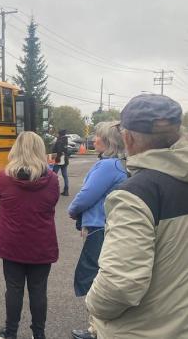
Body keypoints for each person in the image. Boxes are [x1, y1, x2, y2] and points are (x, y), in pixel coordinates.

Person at [85, 94, 188, 338]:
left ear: (127, 137)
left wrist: (92, 305)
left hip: (141, 330)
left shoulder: (135, 195)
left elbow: (120, 286)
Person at [0, 131, 59, 339]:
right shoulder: (52, 179)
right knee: (38, 290)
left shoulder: (4, 177)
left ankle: (10, 332)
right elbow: (52, 201)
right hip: (41, 243)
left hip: (12, 243)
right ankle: (39, 334)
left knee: (13, 288)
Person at [67, 121, 128, 339]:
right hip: (110, 226)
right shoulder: (121, 164)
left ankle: (95, 329)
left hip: (98, 227)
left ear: (108, 141)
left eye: (98, 137)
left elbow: (86, 195)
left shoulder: (107, 166)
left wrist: (72, 210)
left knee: (92, 275)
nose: (93, 140)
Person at [52, 129, 70, 195]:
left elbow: (59, 150)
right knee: (65, 175)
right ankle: (66, 190)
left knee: (53, 175)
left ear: (60, 134)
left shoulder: (59, 141)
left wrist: (55, 156)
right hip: (65, 159)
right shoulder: (65, 140)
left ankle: (53, 189)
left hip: (59, 159)